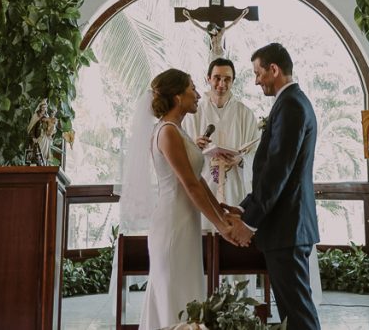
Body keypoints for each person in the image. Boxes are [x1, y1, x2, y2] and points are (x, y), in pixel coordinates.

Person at [137, 68, 247, 330]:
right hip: (173, 224)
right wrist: (221, 227)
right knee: (174, 298)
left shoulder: (179, 130)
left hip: (185, 222)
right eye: (192, 89)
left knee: (187, 293)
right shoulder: (167, 132)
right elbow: (189, 185)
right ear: (177, 96)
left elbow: (198, 180)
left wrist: (223, 214)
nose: (198, 95)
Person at [228, 43, 321, 330]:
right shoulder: (291, 102)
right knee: (293, 315)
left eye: (258, 73)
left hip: (287, 227)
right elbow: (275, 170)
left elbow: (278, 170)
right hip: (287, 227)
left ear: (274, 69)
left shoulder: (291, 105)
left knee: (298, 315)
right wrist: (243, 207)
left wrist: (251, 222)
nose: (256, 81)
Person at [183, 57, 260, 205]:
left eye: (227, 79)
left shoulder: (245, 114)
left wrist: (241, 160)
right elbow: (179, 151)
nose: (221, 84)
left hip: (234, 190)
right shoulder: (193, 113)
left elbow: (256, 154)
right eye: (217, 78)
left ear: (233, 81)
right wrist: (193, 145)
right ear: (208, 78)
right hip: (202, 186)